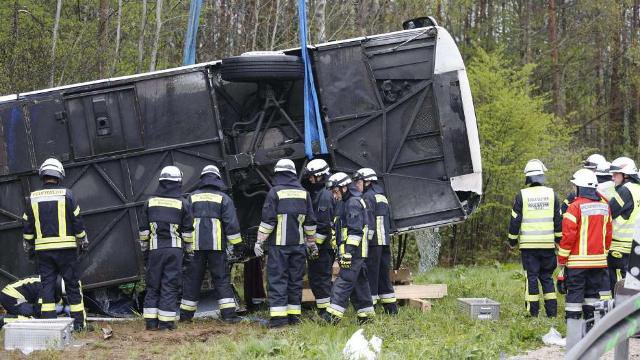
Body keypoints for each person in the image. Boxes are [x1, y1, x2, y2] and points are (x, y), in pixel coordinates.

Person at [22, 158, 88, 331]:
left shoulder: (32, 198)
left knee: (47, 288)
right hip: (66, 250)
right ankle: (79, 325)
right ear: (59, 175)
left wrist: (29, 246)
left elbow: (27, 229)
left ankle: (50, 326)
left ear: (43, 175)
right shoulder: (67, 194)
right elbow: (77, 221)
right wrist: (82, 239)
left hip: (43, 252)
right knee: (73, 286)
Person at [254, 159, 317, 328]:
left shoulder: (275, 192)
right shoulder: (304, 193)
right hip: (298, 247)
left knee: (277, 280)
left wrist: (259, 241)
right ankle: (294, 317)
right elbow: (310, 223)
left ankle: (279, 320)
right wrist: (311, 243)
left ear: (279, 174)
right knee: (295, 281)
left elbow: (268, 221)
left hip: (279, 247)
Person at [180, 165, 243, 324]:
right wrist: (237, 245)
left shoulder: (191, 197)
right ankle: (229, 315)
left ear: (203, 179)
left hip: (195, 247)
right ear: (217, 179)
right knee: (221, 279)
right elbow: (232, 225)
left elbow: (184, 222)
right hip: (216, 247)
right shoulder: (224, 198)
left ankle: (185, 317)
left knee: (192, 279)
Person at [558, 169, 612, 350]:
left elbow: (568, 237)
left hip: (577, 263)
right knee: (592, 297)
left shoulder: (574, 207)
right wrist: (602, 254)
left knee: (574, 298)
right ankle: (591, 332)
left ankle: (573, 333)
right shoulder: (605, 206)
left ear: (580, 188)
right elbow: (608, 236)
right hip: (598, 262)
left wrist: (562, 260)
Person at [139, 165, 194, 331]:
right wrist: (189, 252)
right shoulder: (182, 203)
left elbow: (143, 232)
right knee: (169, 285)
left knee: (153, 285)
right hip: (174, 251)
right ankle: (166, 323)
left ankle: (150, 322)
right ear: (178, 183)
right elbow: (187, 233)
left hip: (155, 250)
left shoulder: (149, 202)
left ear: (161, 182)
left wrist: (145, 251)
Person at [507, 159, 562, 317]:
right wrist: (559, 241)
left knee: (531, 277)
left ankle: (533, 313)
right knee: (547, 277)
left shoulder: (522, 195)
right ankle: (552, 313)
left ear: (528, 178)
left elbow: (515, 220)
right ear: (542, 176)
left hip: (528, 247)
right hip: (547, 246)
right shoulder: (552, 195)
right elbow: (558, 221)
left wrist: (512, 241)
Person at [322, 172, 375, 325]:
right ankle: (367, 317)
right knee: (360, 284)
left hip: (353, 253)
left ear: (344, 188)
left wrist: (348, 253)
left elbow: (355, 231)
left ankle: (331, 318)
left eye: (335, 190)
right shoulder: (347, 202)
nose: (334, 194)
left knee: (343, 282)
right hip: (353, 252)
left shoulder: (353, 203)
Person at [355, 168, 397, 315]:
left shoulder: (367, 197)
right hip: (384, 242)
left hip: (373, 244)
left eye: (358, 181)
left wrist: (363, 243)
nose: (356, 185)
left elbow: (369, 223)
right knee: (384, 275)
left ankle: (370, 308)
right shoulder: (382, 196)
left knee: (371, 275)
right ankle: (391, 309)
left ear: (367, 182)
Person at [303, 159, 336, 315]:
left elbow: (323, 225)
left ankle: (325, 313)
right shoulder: (325, 191)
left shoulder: (324, 195)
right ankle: (326, 309)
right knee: (320, 278)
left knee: (320, 279)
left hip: (323, 247)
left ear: (320, 176)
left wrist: (314, 247)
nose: (310, 179)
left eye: (312, 176)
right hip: (325, 246)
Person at [607, 156, 640, 291]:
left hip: (620, 247)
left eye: (616, 174)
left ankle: (619, 312)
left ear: (626, 175)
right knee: (634, 286)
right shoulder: (638, 189)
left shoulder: (625, 190)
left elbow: (609, 212)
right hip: (635, 245)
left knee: (619, 288)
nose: (613, 178)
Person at [0, 276, 67, 327]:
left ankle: (11, 316)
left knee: (31, 312)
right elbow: (38, 310)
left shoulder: (50, 281)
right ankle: (4, 320)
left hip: (13, 295)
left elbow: (58, 301)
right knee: (32, 317)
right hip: (11, 296)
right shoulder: (46, 287)